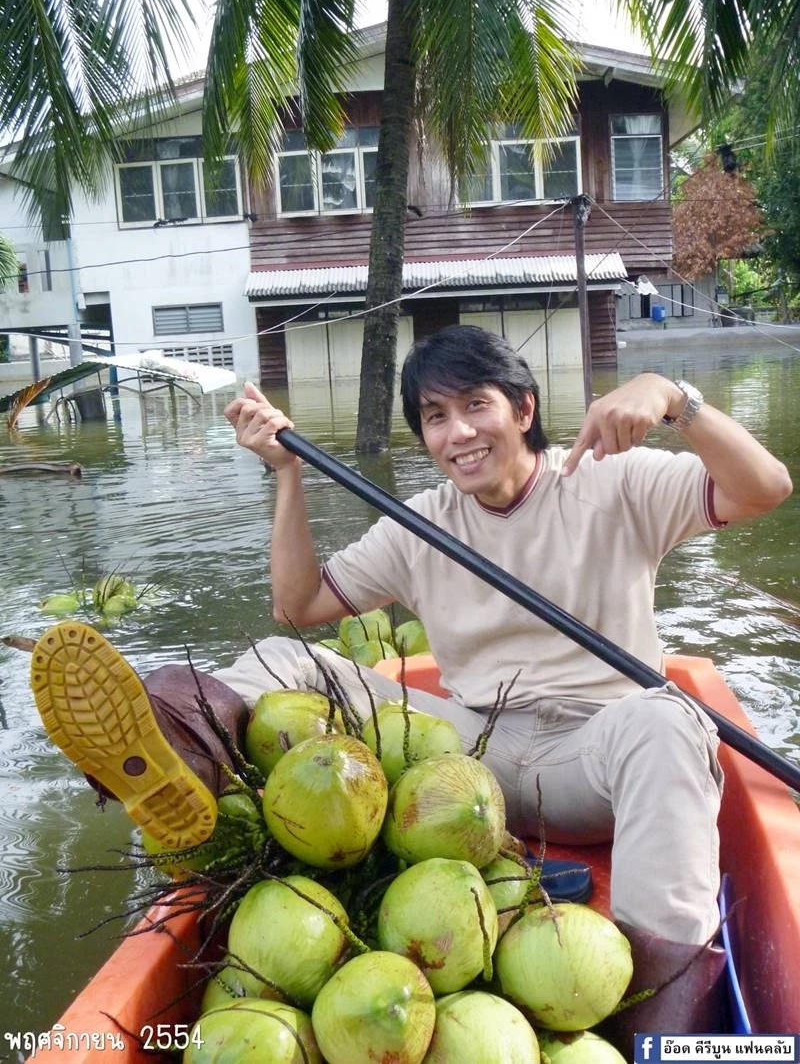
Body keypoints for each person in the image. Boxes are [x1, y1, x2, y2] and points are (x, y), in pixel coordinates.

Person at [30, 325, 792, 1045]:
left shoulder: (611, 482)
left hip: (595, 755)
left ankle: (658, 1026)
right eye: (434, 417)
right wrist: (287, 472)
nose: (457, 433)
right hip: (462, 759)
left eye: (474, 406)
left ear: (523, 409)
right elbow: (300, 607)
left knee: (669, 718)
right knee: (290, 660)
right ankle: (177, 752)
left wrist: (675, 399)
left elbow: (766, 488)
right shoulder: (420, 522)